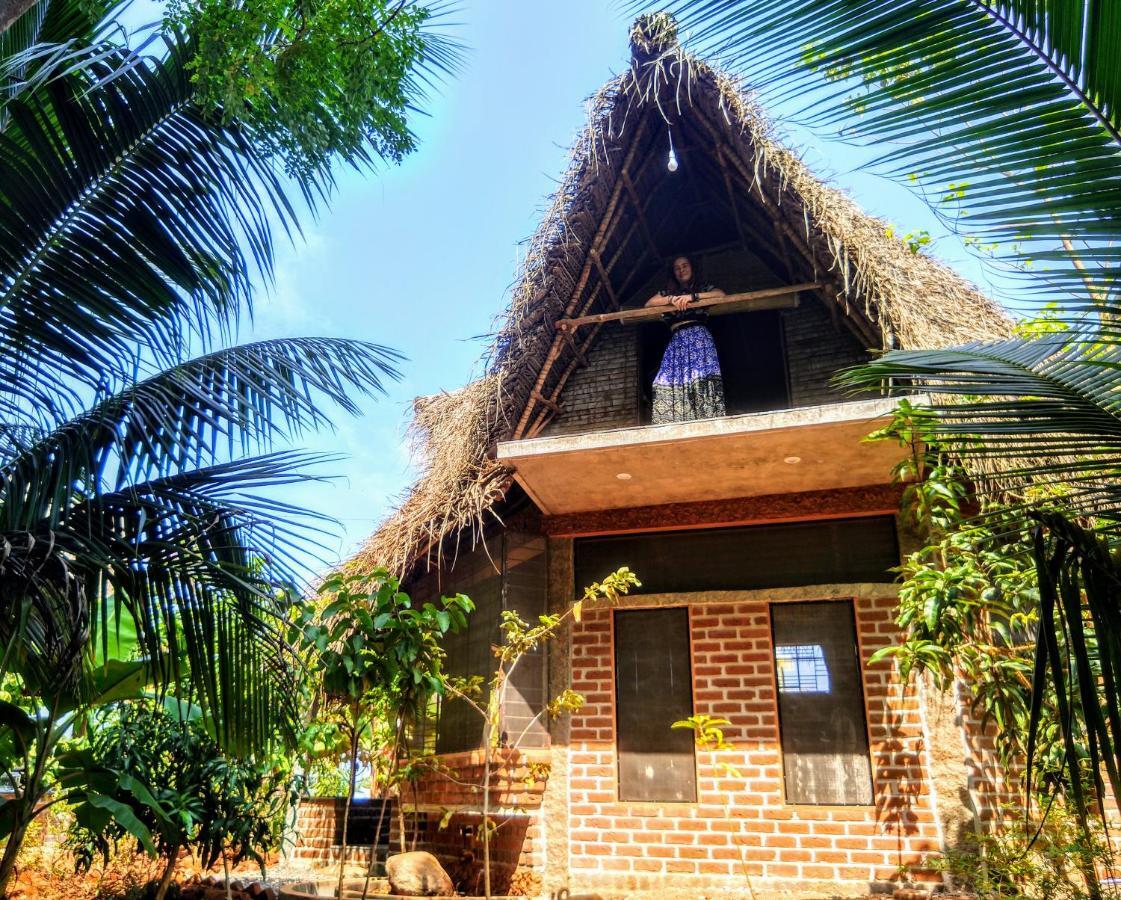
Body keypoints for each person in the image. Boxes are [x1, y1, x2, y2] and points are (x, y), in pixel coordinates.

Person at [644, 255, 727, 424]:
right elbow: (649, 304)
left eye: (685, 265)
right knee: (665, 382)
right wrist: (671, 300)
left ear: (692, 267)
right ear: (673, 273)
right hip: (678, 342)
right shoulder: (668, 292)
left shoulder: (702, 288)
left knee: (701, 380)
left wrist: (693, 297)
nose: (681, 270)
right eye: (677, 268)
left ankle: (707, 422)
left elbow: (721, 295)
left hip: (699, 340)